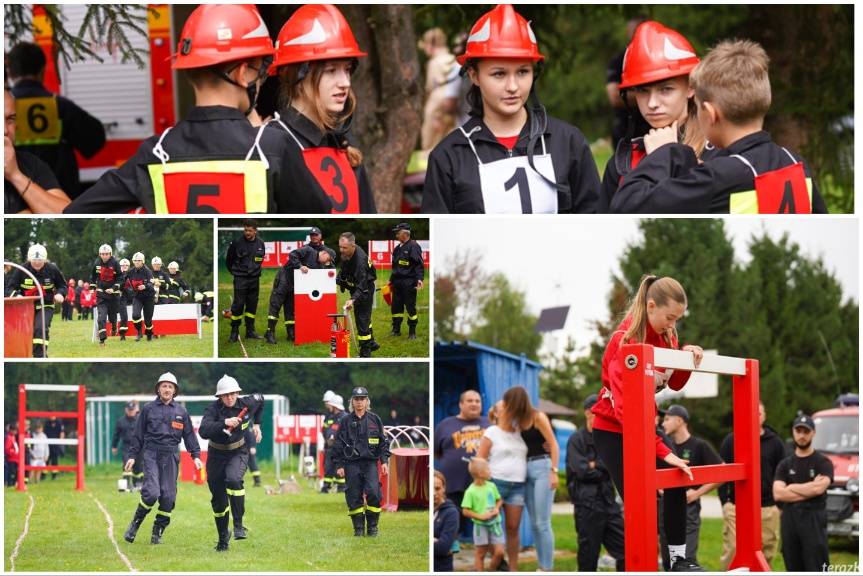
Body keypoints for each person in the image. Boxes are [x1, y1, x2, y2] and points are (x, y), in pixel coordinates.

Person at [65, 4, 332, 214]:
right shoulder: (272, 145)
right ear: (243, 74)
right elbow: (319, 215)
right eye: (261, 69)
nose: (261, 81)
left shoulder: (156, 151)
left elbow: (78, 211)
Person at [612, 39, 828, 214]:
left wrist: (664, 153)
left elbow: (626, 204)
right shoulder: (794, 162)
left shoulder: (720, 175)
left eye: (696, 106)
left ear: (710, 113)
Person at [422, 4, 600, 214]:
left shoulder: (569, 142)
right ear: (474, 76)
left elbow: (595, 218)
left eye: (523, 72)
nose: (513, 86)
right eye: (499, 74)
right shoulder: (447, 157)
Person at [591, 274, 705, 571]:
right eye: (669, 317)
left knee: (678, 476)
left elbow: (674, 382)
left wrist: (687, 357)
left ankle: (679, 560)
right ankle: (636, 563)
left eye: (678, 319)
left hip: (643, 424)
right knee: (642, 500)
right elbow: (626, 411)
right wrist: (663, 450)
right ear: (651, 306)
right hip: (614, 429)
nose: (672, 324)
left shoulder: (668, 336)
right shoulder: (624, 342)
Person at [267, 3, 377, 214]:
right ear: (297, 75)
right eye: (331, 71)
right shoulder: (271, 145)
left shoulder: (346, 148)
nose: (345, 82)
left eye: (347, 70)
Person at [601, 21, 711, 211]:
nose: (652, 103)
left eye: (666, 89)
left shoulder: (719, 151)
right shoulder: (623, 162)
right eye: (643, 91)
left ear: (691, 87)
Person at [7, 41, 106, 196]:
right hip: (58, 194)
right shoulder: (60, 106)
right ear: (42, 71)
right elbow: (95, 139)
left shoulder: (4, 108)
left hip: (13, 197)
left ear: (10, 72)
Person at [123, 372, 202, 545]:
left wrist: (195, 455)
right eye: (164, 386)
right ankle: (135, 525)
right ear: (158, 389)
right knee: (151, 493)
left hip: (172, 456)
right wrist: (132, 456)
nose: (167, 389)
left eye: (170, 386)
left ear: (175, 391)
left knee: (168, 497)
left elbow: (189, 436)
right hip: (151, 454)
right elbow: (138, 434)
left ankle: (157, 532)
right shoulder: (148, 409)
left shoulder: (181, 411)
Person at [198, 375, 265, 551]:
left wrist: (257, 424)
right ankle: (222, 539)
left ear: (237, 392)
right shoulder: (212, 410)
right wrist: (224, 423)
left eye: (233, 394)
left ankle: (238, 526)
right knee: (219, 501)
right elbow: (203, 431)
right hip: (216, 456)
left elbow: (261, 399)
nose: (230, 397)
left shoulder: (247, 403)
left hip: (239, 451)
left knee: (234, 479)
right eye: (226, 395)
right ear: (219, 396)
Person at [718, 401, 786, 570]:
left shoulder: (776, 443)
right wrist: (724, 502)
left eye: (759, 413)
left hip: (767, 507)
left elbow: (782, 474)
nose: (755, 416)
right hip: (736, 506)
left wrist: (780, 506)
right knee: (733, 550)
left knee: (766, 553)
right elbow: (722, 471)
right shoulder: (732, 440)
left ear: (765, 416)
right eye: (752, 413)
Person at [502, 386, 559, 572]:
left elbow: (554, 445)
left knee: (543, 522)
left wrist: (554, 471)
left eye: (508, 402)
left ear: (516, 401)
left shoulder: (537, 417)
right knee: (534, 523)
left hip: (542, 466)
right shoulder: (515, 422)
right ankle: (542, 566)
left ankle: (547, 567)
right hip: (524, 470)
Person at [659, 404, 723, 571]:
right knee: (668, 562)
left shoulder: (699, 445)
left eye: (667, 419)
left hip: (689, 511)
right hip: (665, 509)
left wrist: (697, 493)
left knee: (685, 562)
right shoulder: (665, 447)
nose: (663, 423)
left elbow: (722, 472)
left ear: (680, 420)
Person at [567, 394, 625, 572]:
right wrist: (600, 466)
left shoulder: (608, 439)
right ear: (587, 413)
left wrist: (596, 465)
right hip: (587, 505)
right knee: (588, 555)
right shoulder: (576, 440)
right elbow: (582, 471)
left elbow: (612, 464)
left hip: (609, 502)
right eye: (600, 412)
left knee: (626, 549)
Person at [773, 414, 834, 572]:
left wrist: (791, 488)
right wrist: (809, 488)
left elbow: (818, 489)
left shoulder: (823, 462)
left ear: (813, 433)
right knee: (792, 565)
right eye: (798, 431)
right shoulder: (785, 464)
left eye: (806, 432)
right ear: (793, 432)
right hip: (790, 520)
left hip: (813, 520)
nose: (801, 435)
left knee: (817, 566)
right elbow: (778, 494)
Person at [476, 399, 527, 571]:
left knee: (513, 528)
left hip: (518, 486)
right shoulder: (491, 431)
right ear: (496, 413)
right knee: (490, 525)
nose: (508, 410)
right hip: (495, 484)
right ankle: (495, 564)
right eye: (503, 408)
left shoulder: (519, 432)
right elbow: (479, 459)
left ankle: (513, 568)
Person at [333, 387, 390, 537]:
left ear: (367, 401)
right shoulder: (345, 421)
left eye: (362, 399)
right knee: (353, 495)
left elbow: (383, 442)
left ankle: (372, 528)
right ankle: (358, 529)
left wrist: (384, 461)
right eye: (356, 399)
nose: (359, 402)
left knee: (374, 493)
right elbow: (338, 443)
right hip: (351, 464)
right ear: (352, 401)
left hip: (370, 463)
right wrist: (339, 465)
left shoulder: (375, 419)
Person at [4, 88, 71, 214]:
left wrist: (15, 175)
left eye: (10, 119)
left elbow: (67, 216)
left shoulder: (31, 164)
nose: (4, 130)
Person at [433, 390, 490, 539]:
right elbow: (437, 452)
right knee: (452, 525)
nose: (474, 404)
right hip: (453, 485)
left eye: (477, 401)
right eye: (470, 401)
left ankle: (490, 555)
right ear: (461, 404)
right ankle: (449, 553)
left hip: (482, 485)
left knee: (487, 523)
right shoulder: (446, 424)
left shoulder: (489, 424)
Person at [264, 237, 334, 344]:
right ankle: (270, 332)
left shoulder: (320, 266)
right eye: (328, 259)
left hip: (296, 284)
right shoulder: (308, 250)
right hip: (285, 277)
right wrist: (300, 266)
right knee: (276, 304)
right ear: (324, 253)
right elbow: (292, 254)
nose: (327, 262)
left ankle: (291, 332)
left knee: (290, 307)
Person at [8, 243, 66, 357]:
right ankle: (28, 354)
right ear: (29, 259)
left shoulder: (52, 269)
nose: (37, 262)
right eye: (34, 260)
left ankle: (40, 355)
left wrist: (60, 294)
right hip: (26, 308)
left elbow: (62, 285)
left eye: (40, 260)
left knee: (40, 328)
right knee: (26, 332)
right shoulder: (22, 270)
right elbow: (9, 287)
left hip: (46, 305)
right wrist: (16, 296)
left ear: (45, 259)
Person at [605, 17, 646, 151]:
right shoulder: (618, 61)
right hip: (625, 129)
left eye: (639, 30)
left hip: (654, 129)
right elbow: (615, 98)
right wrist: (651, 94)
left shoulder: (658, 56)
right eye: (633, 30)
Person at [336, 232, 379, 357]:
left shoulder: (360, 261)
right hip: (356, 286)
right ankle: (371, 343)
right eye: (340, 247)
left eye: (344, 248)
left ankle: (365, 352)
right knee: (365, 318)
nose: (341, 250)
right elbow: (344, 269)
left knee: (362, 320)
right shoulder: (347, 254)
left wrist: (352, 299)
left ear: (353, 246)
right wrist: (341, 281)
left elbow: (362, 284)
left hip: (364, 289)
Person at [418, 28, 460, 152]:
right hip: (453, 100)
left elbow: (430, 87)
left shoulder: (434, 63)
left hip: (437, 101)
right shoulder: (452, 59)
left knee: (430, 141)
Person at [461, 457, 505, 571]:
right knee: (480, 554)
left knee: (499, 552)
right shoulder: (470, 491)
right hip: (480, 527)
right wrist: (481, 517)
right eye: (488, 469)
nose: (490, 471)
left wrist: (496, 508)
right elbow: (465, 511)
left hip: (495, 525)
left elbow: (499, 500)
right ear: (481, 473)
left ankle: (491, 570)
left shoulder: (492, 486)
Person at [226, 219, 266, 343]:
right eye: (245, 230)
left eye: (249, 230)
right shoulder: (237, 242)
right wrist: (236, 273)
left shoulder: (260, 243)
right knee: (238, 305)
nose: (247, 232)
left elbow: (260, 260)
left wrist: (254, 272)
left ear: (255, 231)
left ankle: (250, 331)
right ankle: (234, 331)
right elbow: (229, 260)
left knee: (252, 304)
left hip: (254, 279)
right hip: (240, 278)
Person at [388, 223, 424, 340]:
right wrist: (391, 281)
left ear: (405, 234)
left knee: (410, 307)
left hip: (409, 282)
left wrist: (419, 279)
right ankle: (396, 329)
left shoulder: (414, 246)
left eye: (398, 232)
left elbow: (419, 265)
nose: (396, 234)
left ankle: (412, 332)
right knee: (396, 307)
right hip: (397, 283)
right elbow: (394, 267)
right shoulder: (397, 248)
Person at [91, 244, 122, 347]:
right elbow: (93, 277)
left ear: (110, 254)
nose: (104, 256)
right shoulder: (96, 263)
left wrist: (113, 289)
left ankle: (114, 326)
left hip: (113, 295)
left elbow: (120, 278)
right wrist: (92, 288)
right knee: (101, 317)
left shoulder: (115, 263)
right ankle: (102, 340)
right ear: (100, 254)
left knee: (112, 317)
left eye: (106, 254)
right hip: (101, 295)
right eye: (102, 254)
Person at [112, 401, 143, 491]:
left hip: (138, 446)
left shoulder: (139, 420)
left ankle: (137, 484)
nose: (130, 412)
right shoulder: (121, 421)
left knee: (139, 467)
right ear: (126, 410)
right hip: (127, 446)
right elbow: (116, 435)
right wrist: (114, 446)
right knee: (127, 464)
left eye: (132, 410)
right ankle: (125, 485)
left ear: (135, 410)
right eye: (129, 410)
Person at [433, 470, 460, 572]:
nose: (434, 493)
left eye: (437, 488)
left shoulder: (451, 512)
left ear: (444, 488)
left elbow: (443, 548)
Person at [321, 392, 348, 493]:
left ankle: (342, 487)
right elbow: (326, 430)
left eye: (331, 405)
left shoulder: (344, 417)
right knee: (328, 468)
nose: (329, 406)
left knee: (339, 468)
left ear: (335, 406)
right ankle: (326, 487)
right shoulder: (332, 417)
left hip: (339, 448)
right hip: (330, 448)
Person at [127, 252, 156, 342]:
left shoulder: (148, 271)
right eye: (135, 261)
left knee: (148, 320)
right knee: (135, 315)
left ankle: (149, 334)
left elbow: (152, 283)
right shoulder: (130, 272)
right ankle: (139, 332)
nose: (137, 262)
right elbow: (123, 280)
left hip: (149, 297)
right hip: (137, 297)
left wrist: (145, 286)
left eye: (139, 260)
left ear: (143, 261)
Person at [113, 259, 131, 340]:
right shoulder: (116, 275)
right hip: (119, 297)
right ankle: (121, 334)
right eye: (122, 266)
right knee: (122, 316)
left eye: (126, 265)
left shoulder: (132, 275)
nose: (124, 267)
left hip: (129, 296)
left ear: (129, 266)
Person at [43, 415, 65, 480]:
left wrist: (60, 441)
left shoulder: (59, 422)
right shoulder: (47, 423)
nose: (51, 417)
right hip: (48, 444)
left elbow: (62, 432)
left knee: (55, 461)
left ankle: (54, 476)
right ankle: (43, 475)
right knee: (46, 460)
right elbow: (44, 433)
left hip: (56, 444)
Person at [4, 423, 20, 487]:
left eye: (16, 430)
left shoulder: (13, 437)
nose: (15, 432)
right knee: (11, 473)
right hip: (11, 459)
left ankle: (13, 483)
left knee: (15, 472)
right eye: (14, 430)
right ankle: (10, 484)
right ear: (10, 430)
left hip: (15, 459)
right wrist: (13, 452)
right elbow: (7, 449)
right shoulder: (8, 438)